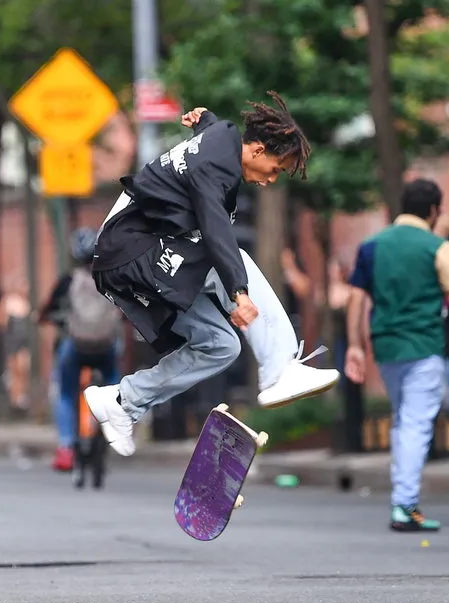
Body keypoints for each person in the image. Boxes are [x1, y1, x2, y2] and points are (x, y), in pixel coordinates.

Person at [86, 92, 340, 457]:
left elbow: (212, 127)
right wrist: (239, 292)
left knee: (221, 345)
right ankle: (279, 370)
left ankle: (122, 401)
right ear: (256, 151)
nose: (269, 181)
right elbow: (215, 228)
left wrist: (203, 118)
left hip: (139, 258)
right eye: (274, 170)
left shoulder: (221, 136)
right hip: (132, 250)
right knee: (238, 260)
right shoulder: (216, 167)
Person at [345, 178, 449, 532]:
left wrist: (356, 346)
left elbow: (357, 299)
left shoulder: (372, 246)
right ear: (434, 210)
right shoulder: (437, 248)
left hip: (386, 348)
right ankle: (404, 505)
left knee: (405, 419)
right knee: (415, 424)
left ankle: (404, 500)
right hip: (425, 346)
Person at [40, 227, 122, 471]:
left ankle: (66, 447)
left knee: (66, 391)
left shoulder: (68, 281)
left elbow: (47, 310)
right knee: (113, 384)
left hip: (76, 347)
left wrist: (44, 317)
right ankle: (112, 426)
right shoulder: (114, 279)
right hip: (105, 347)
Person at [0, 278, 31, 414]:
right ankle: (14, 398)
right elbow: (0, 322)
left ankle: (22, 396)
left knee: (24, 368)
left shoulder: (27, 303)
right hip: (11, 340)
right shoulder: (7, 301)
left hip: (23, 341)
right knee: (13, 369)